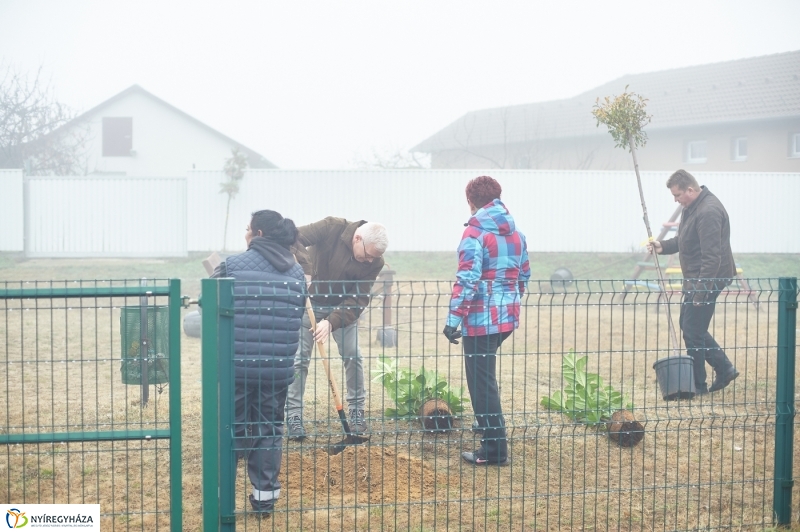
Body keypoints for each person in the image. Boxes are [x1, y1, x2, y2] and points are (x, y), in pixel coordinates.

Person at [211, 209, 306, 516]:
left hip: (235, 367)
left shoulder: (230, 266)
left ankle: (222, 496)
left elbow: (210, 303)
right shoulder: (296, 274)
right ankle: (264, 500)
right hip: (276, 370)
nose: (245, 232)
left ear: (259, 234)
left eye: (248, 228)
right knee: (268, 430)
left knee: (231, 428)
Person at [443, 176, 530, 466]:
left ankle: (494, 451)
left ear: (471, 202)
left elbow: (467, 278)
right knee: (486, 379)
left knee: (482, 384)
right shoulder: (517, 235)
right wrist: (511, 300)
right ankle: (486, 424)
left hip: (481, 320)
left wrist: (453, 319)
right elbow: (524, 274)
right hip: (507, 318)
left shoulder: (475, 234)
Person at [285, 217, 389, 440]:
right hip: (309, 303)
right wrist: (305, 268)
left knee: (353, 356)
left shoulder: (375, 263)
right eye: (368, 254)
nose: (370, 261)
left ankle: (356, 412)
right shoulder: (331, 227)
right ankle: (293, 416)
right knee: (300, 359)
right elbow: (293, 237)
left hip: (343, 311)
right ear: (357, 238)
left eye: (374, 258)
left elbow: (359, 299)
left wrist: (331, 322)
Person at [648, 169, 739, 394]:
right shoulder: (691, 207)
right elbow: (685, 238)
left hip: (709, 278)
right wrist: (664, 246)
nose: (675, 200)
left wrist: (701, 292)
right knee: (689, 327)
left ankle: (699, 384)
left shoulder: (708, 211)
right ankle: (722, 368)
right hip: (697, 277)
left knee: (693, 330)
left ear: (690, 189)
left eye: (677, 195)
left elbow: (712, 257)